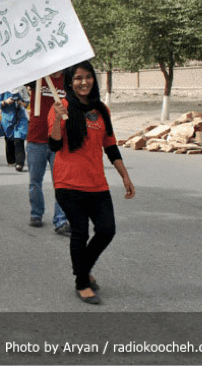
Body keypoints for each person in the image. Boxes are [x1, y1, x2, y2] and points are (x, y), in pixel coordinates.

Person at [49, 60, 136, 305]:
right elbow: (54, 145)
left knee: (107, 230)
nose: (83, 82)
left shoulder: (101, 110)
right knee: (80, 230)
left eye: (87, 77)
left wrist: (125, 176)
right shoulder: (60, 107)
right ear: (70, 82)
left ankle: (82, 269)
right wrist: (57, 119)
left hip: (97, 183)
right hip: (68, 183)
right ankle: (82, 283)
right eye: (77, 78)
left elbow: (110, 145)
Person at [25, 72, 70, 234]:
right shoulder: (37, 77)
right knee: (35, 181)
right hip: (36, 139)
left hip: (58, 140)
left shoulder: (68, 80)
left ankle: (61, 220)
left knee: (62, 182)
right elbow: (23, 73)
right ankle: (36, 214)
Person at [0, 86, 29, 171]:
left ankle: (19, 163)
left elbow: (26, 103)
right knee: (9, 139)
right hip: (7, 118)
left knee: (19, 139)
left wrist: (20, 102)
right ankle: (11, 160)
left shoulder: (22, 88)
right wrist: (6, 102)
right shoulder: (2, 89)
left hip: (20, 117)